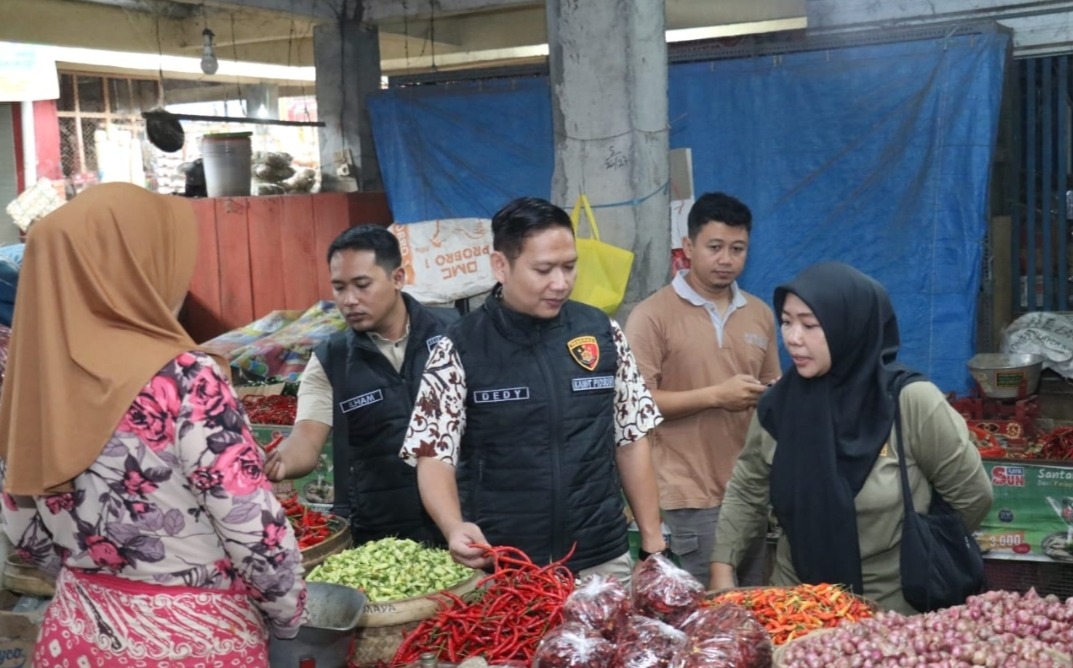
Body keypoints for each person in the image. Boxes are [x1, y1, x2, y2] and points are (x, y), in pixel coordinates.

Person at [0, 183, 306, 665]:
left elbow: (22, 528)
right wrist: (287, 616)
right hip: (192, 642)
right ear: (138, 269)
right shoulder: (183, 377)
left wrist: (98, 583)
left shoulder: (31, 383)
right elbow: (253, 531)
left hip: (75, 634)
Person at [400, 196, 667, 581]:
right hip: (505, 563)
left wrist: (652, 541)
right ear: (500, 266)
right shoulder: (459, 346)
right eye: (543, 270)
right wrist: (453, 526)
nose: (560, 283)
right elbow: (433, 452)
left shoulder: (601, 333)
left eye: (569, 267)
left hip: (600, 559)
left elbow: (632, 438)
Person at [709, 261, 992, 614]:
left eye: (810, 325)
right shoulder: (778, 407)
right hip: (798, 608)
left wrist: (919, 546)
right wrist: (723, 569)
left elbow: (972, 497)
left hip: (891, 612)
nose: (793, 337)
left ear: (851, 327)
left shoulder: (910, 402)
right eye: (786, 321)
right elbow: (748, 489)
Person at [266, 225, 455, 547]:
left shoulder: (456, 335)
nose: (349, 300)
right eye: (339, 288)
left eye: (362, 285)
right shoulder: (332, 360)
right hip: (384, 539)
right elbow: (306, 441)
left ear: (398, 278)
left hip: (465, 526)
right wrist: (278, 461)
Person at [625, 192, 779, 586]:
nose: (726, 259)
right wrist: (716, 396)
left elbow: (770, 390)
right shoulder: (652, 316)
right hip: (688, 494)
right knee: (705, 618)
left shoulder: (759, 314)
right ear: (689, 247)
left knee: (753, 610)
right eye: (715, 247)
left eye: (737, 248)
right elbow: (635, 407)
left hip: (748, 490)